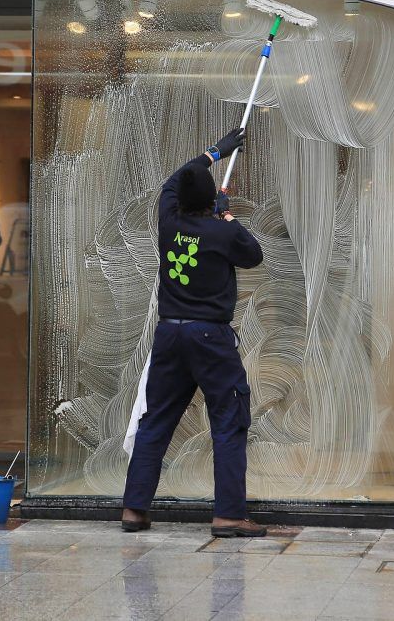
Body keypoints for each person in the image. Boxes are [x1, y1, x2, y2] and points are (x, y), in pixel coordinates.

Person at [122, 128, 266, 538]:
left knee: (157, 420)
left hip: (169, 335)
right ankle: (228, 515)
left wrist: (213, 153)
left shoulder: (168, 221)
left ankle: (134, 509)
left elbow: (174, 180)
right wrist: (227, 215)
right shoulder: (222, 232)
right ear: (211, 201)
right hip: (210, 339)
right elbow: (253, 255)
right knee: (228, 419)